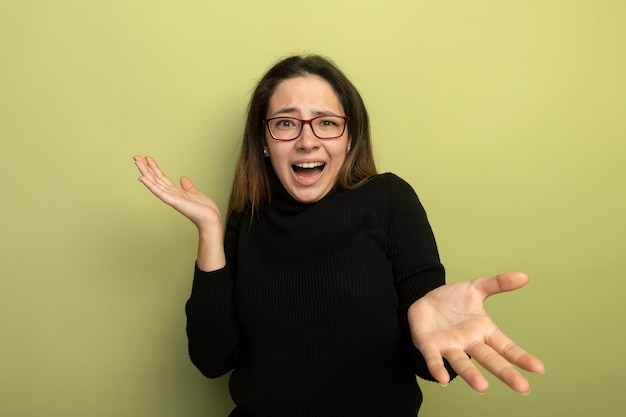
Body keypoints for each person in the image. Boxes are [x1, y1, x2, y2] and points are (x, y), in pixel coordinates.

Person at [133, 54, 544, 417]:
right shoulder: (248, 220)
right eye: (286, 123)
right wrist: (210, 231)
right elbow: (212, 358)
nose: (307, 140)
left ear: (349, 138)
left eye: (326, 123)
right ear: (263, 140)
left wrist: (437, 334)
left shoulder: (389, 200)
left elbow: (435, 364)